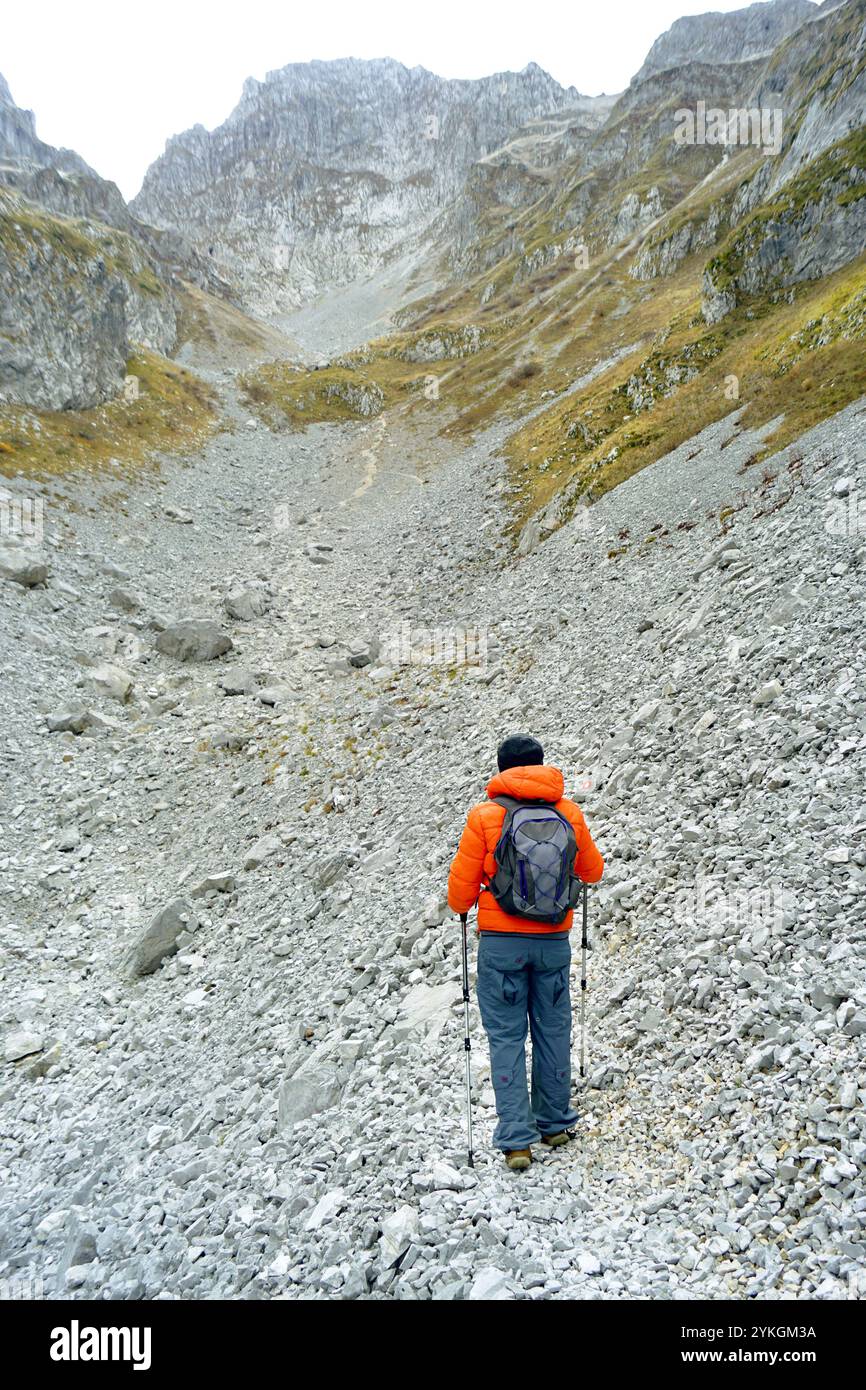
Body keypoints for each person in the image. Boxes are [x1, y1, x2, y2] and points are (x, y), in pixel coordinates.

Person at [447, 734, 604, 1170]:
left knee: (506, 1036)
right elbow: (593, 870)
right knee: (553, 1029)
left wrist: (469, 905)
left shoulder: (485, 815)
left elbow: (459, 893)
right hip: (553, 941)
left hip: (501, 947)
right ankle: (553, 1123)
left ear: (500, 770)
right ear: (540, 765)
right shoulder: (568, 812)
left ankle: (517, 1141)